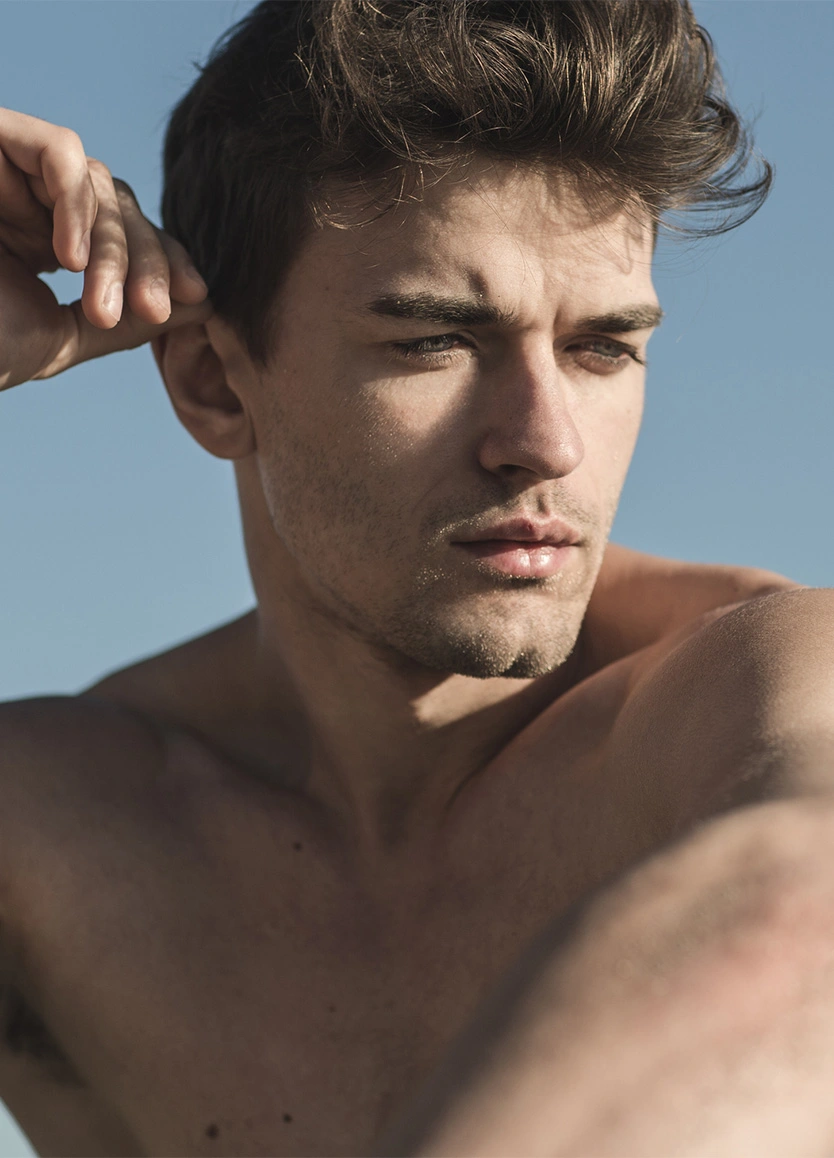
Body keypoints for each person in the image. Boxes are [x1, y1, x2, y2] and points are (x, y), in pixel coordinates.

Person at [1, 2, 832, 1155]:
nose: (546, 443)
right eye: (435, 340)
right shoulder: (56, 835)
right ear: (214, 384)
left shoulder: (757, 683)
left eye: (603, 347)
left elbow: (806, 902)